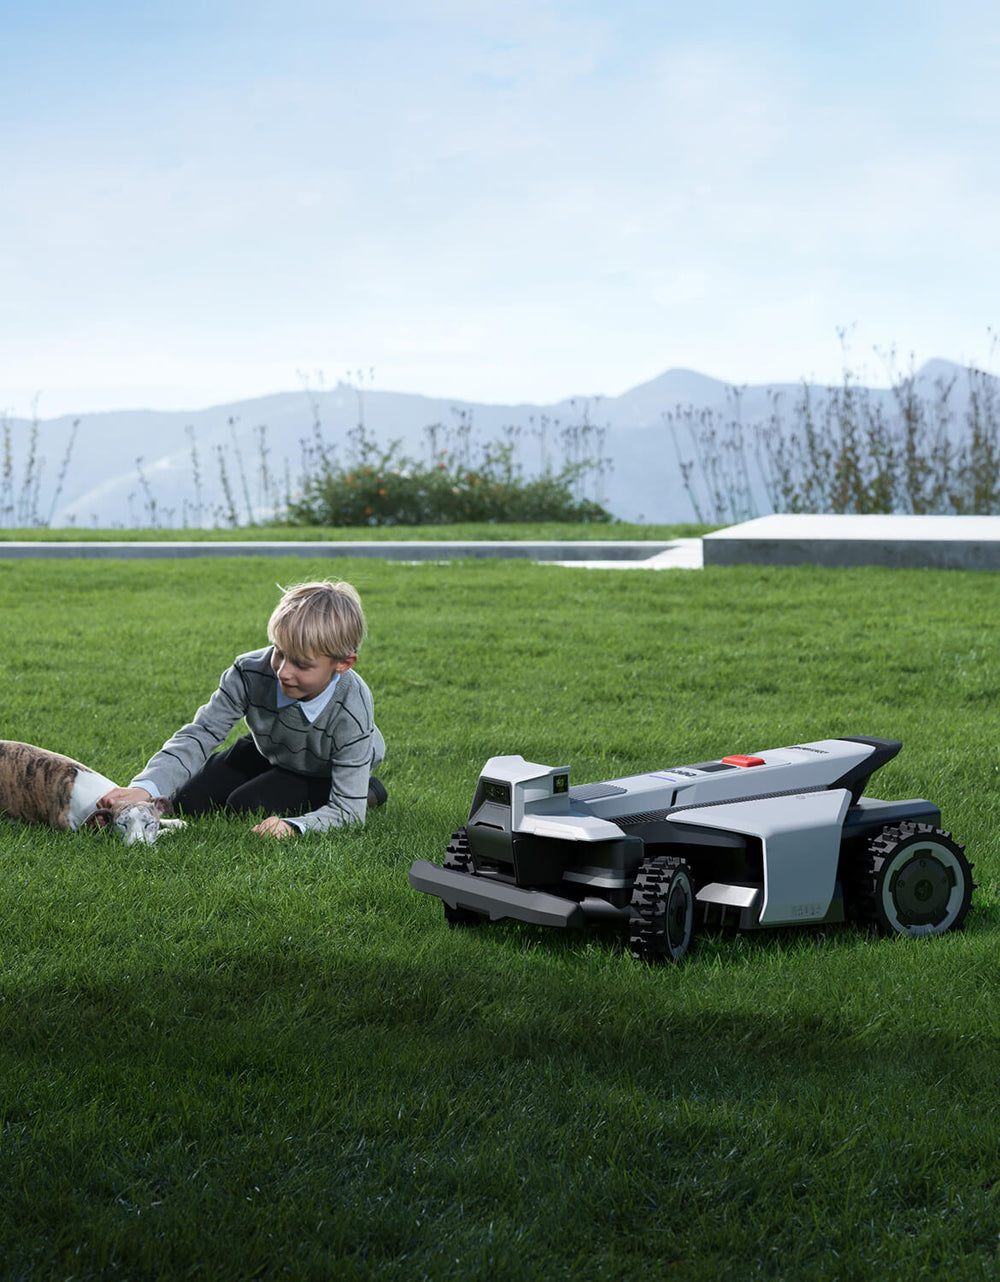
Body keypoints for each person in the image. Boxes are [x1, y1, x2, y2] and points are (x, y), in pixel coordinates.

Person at [98, 579, 386, 839]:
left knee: (246, 804)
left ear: (343, 663)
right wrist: (144, 789)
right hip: (271, 747)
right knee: (188, 802)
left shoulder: (353, 707)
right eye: (279, 652)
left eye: (301, 664)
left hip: (323, 766)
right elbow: (202, 733)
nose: (283, 672)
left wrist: (295, 825)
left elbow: (348, 814)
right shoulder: (248, 672)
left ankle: (369, 790)